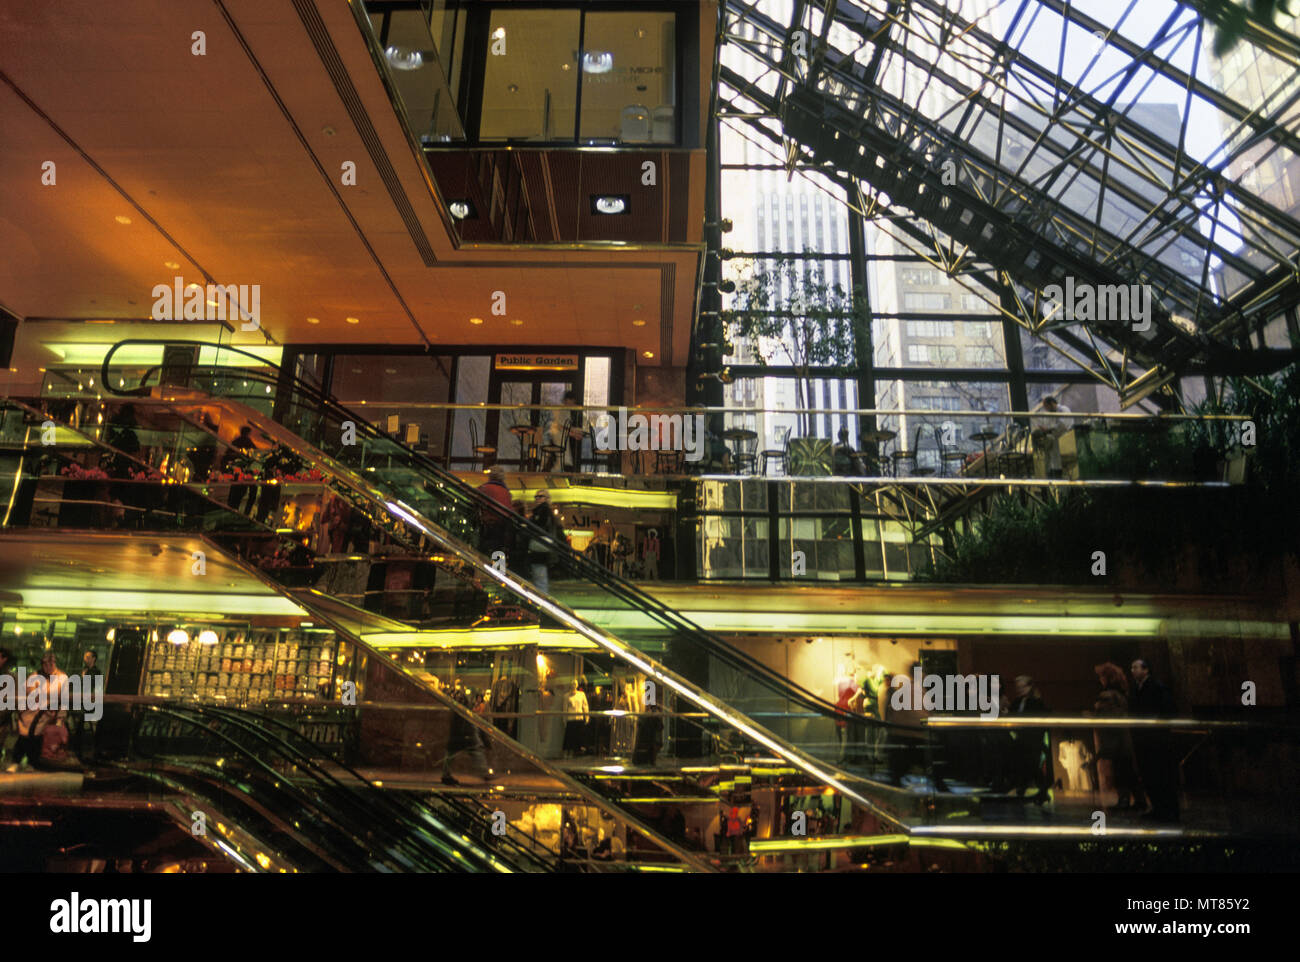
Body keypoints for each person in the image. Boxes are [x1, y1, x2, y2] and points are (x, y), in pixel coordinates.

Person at [1129, 658, 1180, 821]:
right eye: (1132, 668)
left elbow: (1168, 710)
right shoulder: (1139, 689)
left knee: (1160, 774)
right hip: (1147, 738)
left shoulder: (1155, 687)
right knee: (1150, 775)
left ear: (1146, 670)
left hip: (1155, 739)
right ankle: (1160, 808)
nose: (1133, 670)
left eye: (1136, 667)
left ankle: (1167, 810)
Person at [1092, 662, 1138, 811]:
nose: (1100, 680)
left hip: (1114, 739)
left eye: (1101, 676)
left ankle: (1125, 800)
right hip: (1124, 738)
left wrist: (1093, 715)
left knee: (1120, 772)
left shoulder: (1107, 696)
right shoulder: (1122, 694)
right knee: (1127, 771)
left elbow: (1107, 718)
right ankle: (1137, 799)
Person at [1008, 674, 1051, 804]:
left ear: (1030, 687)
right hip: (1022, 739)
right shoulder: (1017, 702)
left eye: (1022, 687)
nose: (1020, 689)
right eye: (1018, 687)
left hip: (1032, 740)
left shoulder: (1036, 702)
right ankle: (1039, 791)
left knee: (1031, 765)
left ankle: (1031, 790)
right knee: (1027, 766)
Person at [441, 685, 489, 785]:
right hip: (465, 732)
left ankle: (445, 775)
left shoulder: (455, 706)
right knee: (475, 751)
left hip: (459, 732)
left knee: (451, 754)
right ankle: (484, 773)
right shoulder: (463, 706)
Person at [526, 489, 563, 595]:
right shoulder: (547, 513)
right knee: (540, 580)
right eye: (536, 497)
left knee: (539, 581)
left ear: (547, 499)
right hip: (543, 551)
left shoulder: (543, 512)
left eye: (540, 496)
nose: (537, 498)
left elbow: (538, 527)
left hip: (539, 550)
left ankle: (541, 604)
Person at [478, 466, 515, 561]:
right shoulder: (506, 492)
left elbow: (472, 495)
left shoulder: (486, 488)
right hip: (502, 530)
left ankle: (483, 574)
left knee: (484, 556)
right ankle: (498, 573)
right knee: (498, 557)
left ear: (491, 475)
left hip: (488, 528)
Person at [1030, 396, 1072, 478]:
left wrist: (1047, 430)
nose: (1046, 409)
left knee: (1050, 443)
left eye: (1047, 407)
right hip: (1056, 439)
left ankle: (1052, 472)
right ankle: (1046, 470)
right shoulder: (1052, 415)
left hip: (1065, 437)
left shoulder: (1063, 410)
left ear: (1052, 403)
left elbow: (1062, 426)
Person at [561, 680, 589, 759]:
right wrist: (564, 720)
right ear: (570, 685)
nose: (574, 685)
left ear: (577, 685)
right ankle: (567, 753)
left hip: (579, 718)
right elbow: (564, 709)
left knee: (579, 737)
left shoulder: (581, 695)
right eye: (572, 684)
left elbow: (585, 706)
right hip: (570, 719)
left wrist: (587, 717)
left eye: (575, 684)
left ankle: (576, 753)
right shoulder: (566, 696)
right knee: (569, 737)